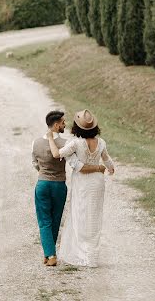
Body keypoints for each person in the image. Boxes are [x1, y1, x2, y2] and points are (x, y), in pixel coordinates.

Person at [32, 110, 106, 267]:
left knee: (44, 220)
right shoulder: (65, 143)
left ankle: (50, 254)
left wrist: (43, 172)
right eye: (63, 123)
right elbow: (73, 161)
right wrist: (98, 167)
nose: (65, 125)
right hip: (59, 185)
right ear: (57, 125)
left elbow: (34, 163)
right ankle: (51, 254)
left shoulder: (36, 142)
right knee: (56, 218)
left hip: (42, 184)